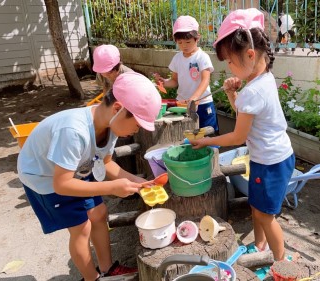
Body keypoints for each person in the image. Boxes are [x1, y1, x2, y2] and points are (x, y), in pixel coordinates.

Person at [17, 72, 161, 281]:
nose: (137, 129)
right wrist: (111, 188)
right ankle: (91, 278)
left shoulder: (111, 126)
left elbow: (106, 163)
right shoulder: (74, 131)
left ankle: (107, 268)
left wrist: (139, 182)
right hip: (45, 176)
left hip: (77, 168)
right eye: (138, 124)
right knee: (81, 227)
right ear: (118, 109)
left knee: (99, 213)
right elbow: (62, 184)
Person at [189, 8, 295, 261]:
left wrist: (207, 141)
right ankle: (260, 246)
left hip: (271, 161)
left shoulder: (253, 91)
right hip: (270, 157)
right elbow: (246, 117)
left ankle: (282, 263)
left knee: (265, 216)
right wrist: (231, 94)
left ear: (250, 54)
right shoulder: (262, 79)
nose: (228, 68)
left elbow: (237, 136)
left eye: (230, 61)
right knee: (256, 207)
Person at [154, 15, 219, 132]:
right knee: (185, 136)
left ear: (197, 38)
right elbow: (174, 81)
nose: (184, 46)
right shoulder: (177, 58)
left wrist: (194, 98)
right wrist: (163, 82)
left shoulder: (202, 57)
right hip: (182, 105)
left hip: (203, 104)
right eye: (180, 42)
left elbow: (205, 80)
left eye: (188, 42)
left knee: (208, 134)